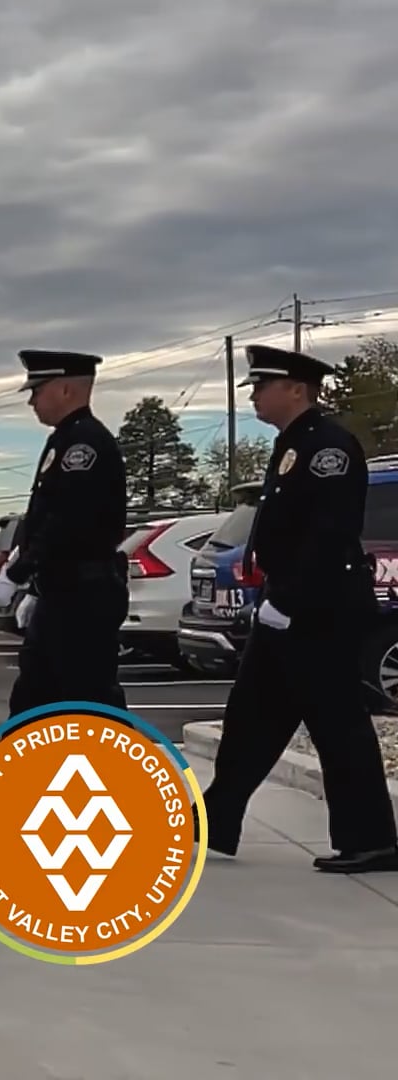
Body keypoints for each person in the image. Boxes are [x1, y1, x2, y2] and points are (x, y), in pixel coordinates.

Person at [199, 344, 398, 872]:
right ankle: (216, 819)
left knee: (337, 724)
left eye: (263, 386)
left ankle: (371, 839)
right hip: (288, 605)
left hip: (319, 608)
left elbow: (328, 534)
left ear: (296, 389)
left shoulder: (328, 447)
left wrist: (286, 601)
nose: (256, 396)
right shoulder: (293, 444)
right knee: (251, 718)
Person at [0, 349, 127, 835]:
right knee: (32, 705)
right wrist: (24, 574)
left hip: (83, 598)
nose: (32, 403)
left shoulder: (85, 445)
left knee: (94, 710)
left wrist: (17, 575)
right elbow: (39, 518)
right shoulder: (64, 442)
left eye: (38, 391)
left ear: (66, 388)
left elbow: (66, 524)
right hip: (61, 595)